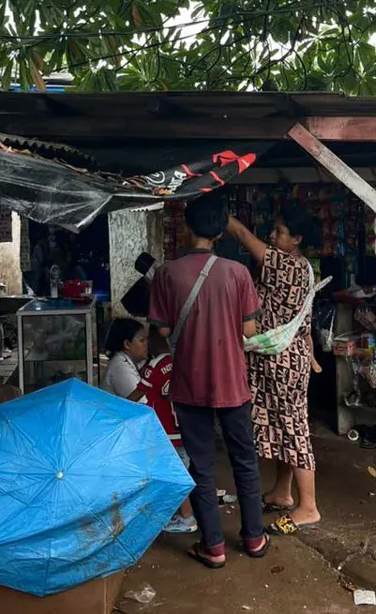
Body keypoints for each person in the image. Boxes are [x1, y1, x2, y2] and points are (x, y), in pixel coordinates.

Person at [149, 194, 268, 568]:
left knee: (200, 464)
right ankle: (254, 538)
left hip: (189, 384)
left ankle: (213, 546)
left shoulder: (167, 273)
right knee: (244, 459)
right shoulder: (238, 273)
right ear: (219, 233)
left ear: (188, 228)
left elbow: (162, 329)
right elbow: (250, 330)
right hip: (232, 382)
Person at [225, 204, 323, 536]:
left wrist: (219, 213)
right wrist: (310, 356)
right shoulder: (305, 268)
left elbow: (241, 234)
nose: (271, 236)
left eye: (279, 232)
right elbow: (305, 325)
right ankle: (283, 492)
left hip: (282, 363)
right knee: (285, 426)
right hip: (289, 359)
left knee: (294, 429)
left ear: (296, 239)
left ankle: (308, 506)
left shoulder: (283, 264)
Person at [101, 319, 197, 533]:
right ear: (127, 344)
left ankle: (184, 514)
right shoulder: (121, 366)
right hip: (124, 433)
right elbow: (141, 403)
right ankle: (184, 515)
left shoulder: (147, 365)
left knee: (174, 469)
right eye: (141, 340)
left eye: (146, 340)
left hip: (142, 431)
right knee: (172, 469)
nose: (146, 345)